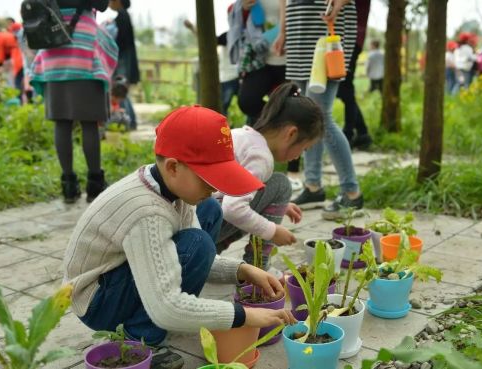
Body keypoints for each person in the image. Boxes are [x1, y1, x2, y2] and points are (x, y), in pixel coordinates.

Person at [63, 105, 297, 369]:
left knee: (209, 211)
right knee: (198, 243)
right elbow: (168, 306)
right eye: (209, 180)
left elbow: (197, 254)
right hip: (97, 300)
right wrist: (245, 316)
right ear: (174, 167)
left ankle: (155, 319)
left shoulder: (169, 187)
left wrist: (243, 270)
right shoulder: (147, 212)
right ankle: (141, 339)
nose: (214, 188)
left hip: (118, 278)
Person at [215, 82, 323, 269]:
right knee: (282, 185)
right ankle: (258, 266)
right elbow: (232, 208)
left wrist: (277, 205)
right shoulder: (261, 158)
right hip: (206, 223)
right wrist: (272, 231)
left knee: (267, 192)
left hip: (194, 219)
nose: (299, 156)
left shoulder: (243, 135)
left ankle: (211, 251)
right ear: (291, 133)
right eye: (303, 148)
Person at [276, 0, 364, 220]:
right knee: (306, 116)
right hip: (298, 29)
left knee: (321, 117)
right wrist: (283, 30)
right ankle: (313, 187)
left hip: (326, 24)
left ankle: (352, 192)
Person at [30, 0, 118, 204]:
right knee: (89, 123)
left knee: (61, 122)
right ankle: (95, 185)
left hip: (52, 43)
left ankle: (68, 187)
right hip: (82, 46)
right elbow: (102, 5)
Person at [228, 0, 285, 125]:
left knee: (292, 103)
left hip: (289, 58)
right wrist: (244, 9)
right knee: (247, 101)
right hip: (260, 58)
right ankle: (279, 123)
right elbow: (238, 23)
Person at [183, 18, 240, 117]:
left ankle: (222, 129)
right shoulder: (232, 35)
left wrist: (192, 28)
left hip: (230, 78)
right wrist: (192, 28)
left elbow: (208, 41)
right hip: (233, 77)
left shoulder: (231, 35)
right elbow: (209, 40)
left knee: (222, 110)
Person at [338, 0, 372, 150]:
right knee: (343, 89)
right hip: (348, 38)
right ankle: (362, 132)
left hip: (349, 39)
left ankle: (349, 134)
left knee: (345, 88)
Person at [109, 0, 140, 130]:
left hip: (122, 60)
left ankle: (129, 122)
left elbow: (119, 43)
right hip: (125, 59)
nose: (109, 3)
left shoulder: (121, 18)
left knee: (120, 91)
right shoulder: (124, 16)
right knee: (122, 92)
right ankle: (131, 121)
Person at [0, 26, 24, 96]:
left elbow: (1, 55)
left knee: (16, 81)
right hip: (16, 54)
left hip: (17, 56)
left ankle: (18, 98)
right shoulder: (0, 35)